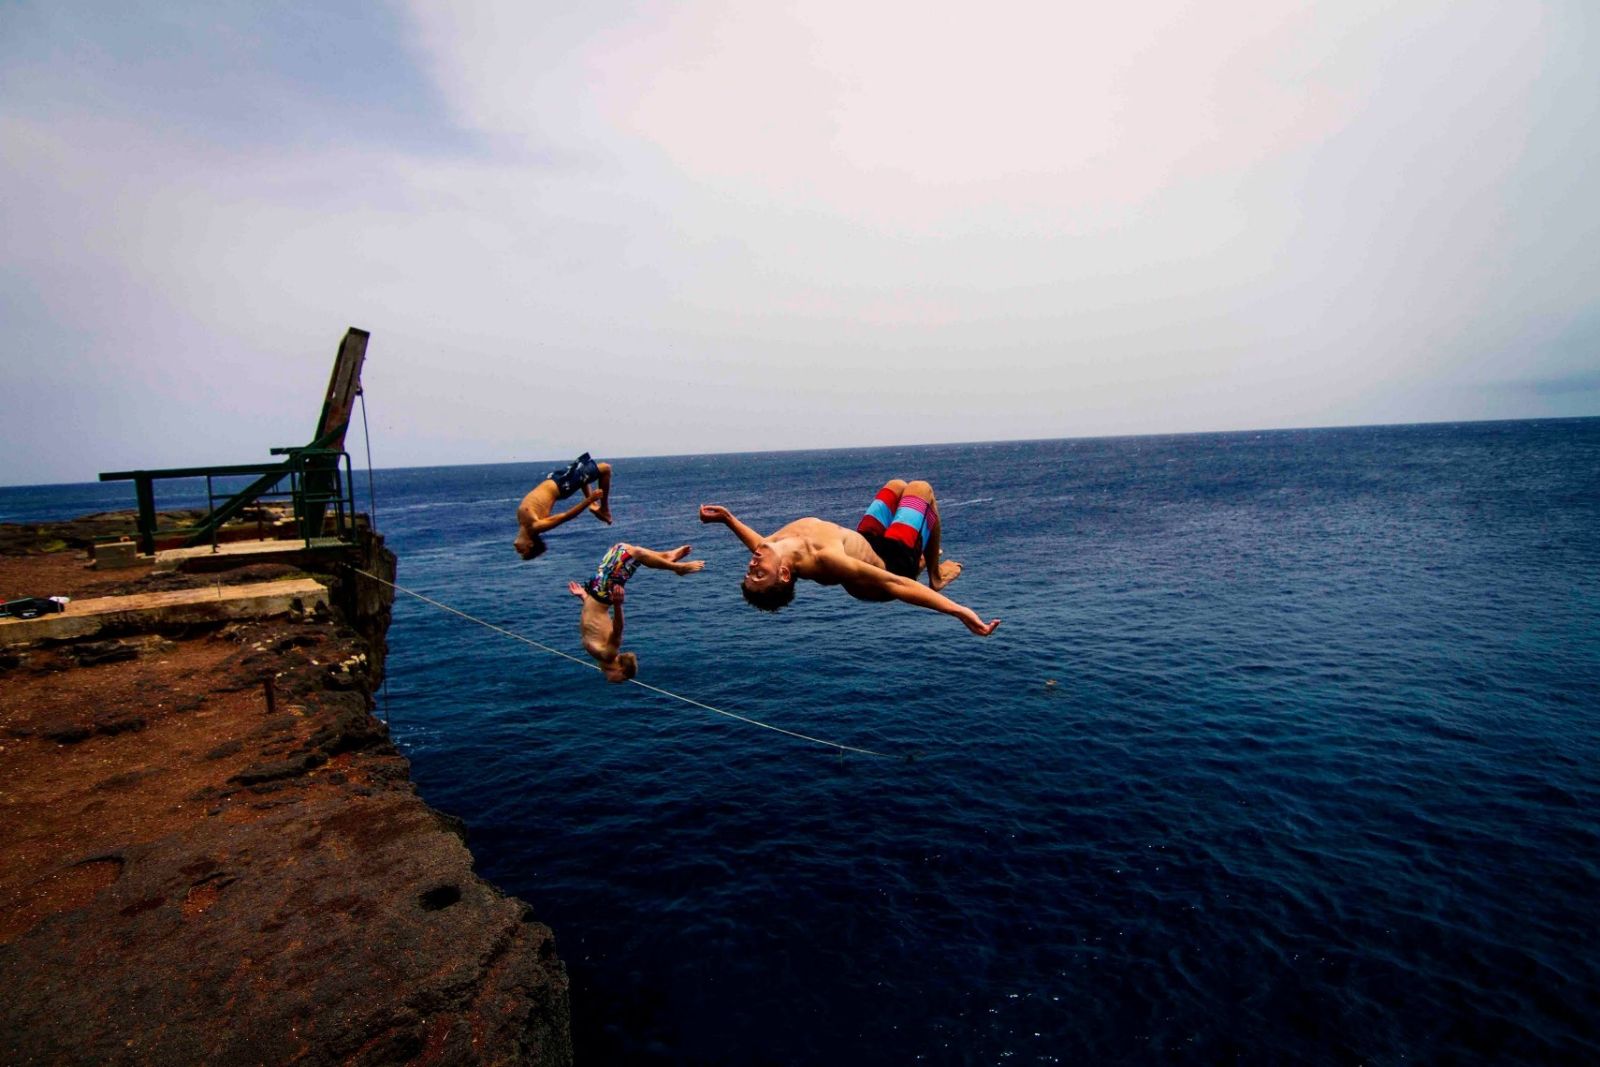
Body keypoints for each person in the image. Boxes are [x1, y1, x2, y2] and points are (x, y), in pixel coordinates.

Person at [698, 478, 1001, 636]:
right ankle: (934, 574)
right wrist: (961, 612)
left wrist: (727, 519)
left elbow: (758, 544)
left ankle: (923, 562)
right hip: (892, 564)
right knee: (921, 490)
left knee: (897, 486)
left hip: (862, 541)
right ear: (786, 574)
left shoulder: (774, 548)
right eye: (759, 574)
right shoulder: (825, 557)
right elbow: (896, 585)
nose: (752, 565)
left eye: (749, 572)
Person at [567, 543, 706, 681]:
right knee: (632, 552)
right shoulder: (609, 654)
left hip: (595, 592)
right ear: (621, 671)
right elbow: (618, 628)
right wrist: (617, 604)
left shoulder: (601, 657)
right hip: (603, 592)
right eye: (622, 680)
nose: (618, 682)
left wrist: (583, 596)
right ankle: (676, 567)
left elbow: (594, 619)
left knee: (623, 549)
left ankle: (667, 558)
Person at [514, 452, 613, 560]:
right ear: (530, 544)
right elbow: (565, 516)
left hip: (555, 478)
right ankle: (604, 510)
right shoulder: (535, 526)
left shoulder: (522, 522)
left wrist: (591, 501)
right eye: (522, 551)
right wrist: (590, 500)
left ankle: (596, 506)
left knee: (583, 475)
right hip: (562, 486)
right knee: (605, 468)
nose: (518, 550)